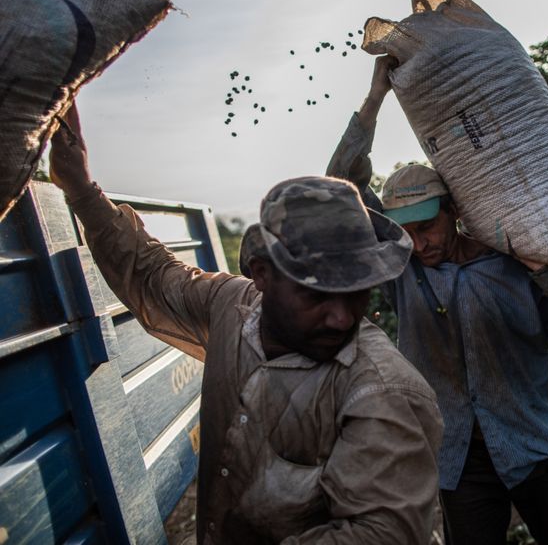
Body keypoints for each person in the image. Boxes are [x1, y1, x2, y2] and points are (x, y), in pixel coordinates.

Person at [50, 104, 444, 545]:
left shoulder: (382, 391)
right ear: (261, 274)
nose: (342, 317)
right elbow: (154, 275)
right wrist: (81, 191)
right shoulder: (230, 307)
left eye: (357, 292)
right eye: (316, 294)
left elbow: (384, 534)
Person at [327, 56, 548, 545]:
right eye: (406, 232)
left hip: (532, 445)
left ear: (454, 212)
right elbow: (342, 185)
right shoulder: (402, 267)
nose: (419, 244)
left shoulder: (515, 263)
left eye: (427, 227)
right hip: (457, 458)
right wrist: (376, 98)